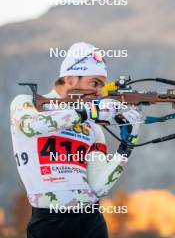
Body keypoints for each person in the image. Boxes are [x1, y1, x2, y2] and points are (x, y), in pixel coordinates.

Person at [10, 42, 141, 238]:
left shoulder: (93, 126)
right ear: (70, 79)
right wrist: (84, 111)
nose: (99, 92)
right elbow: (29, 126)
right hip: (49, 222)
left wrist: (127, 145)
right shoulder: (27, 104)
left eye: (102, 85)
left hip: (92, 221)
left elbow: (98, 187)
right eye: (94, 83)